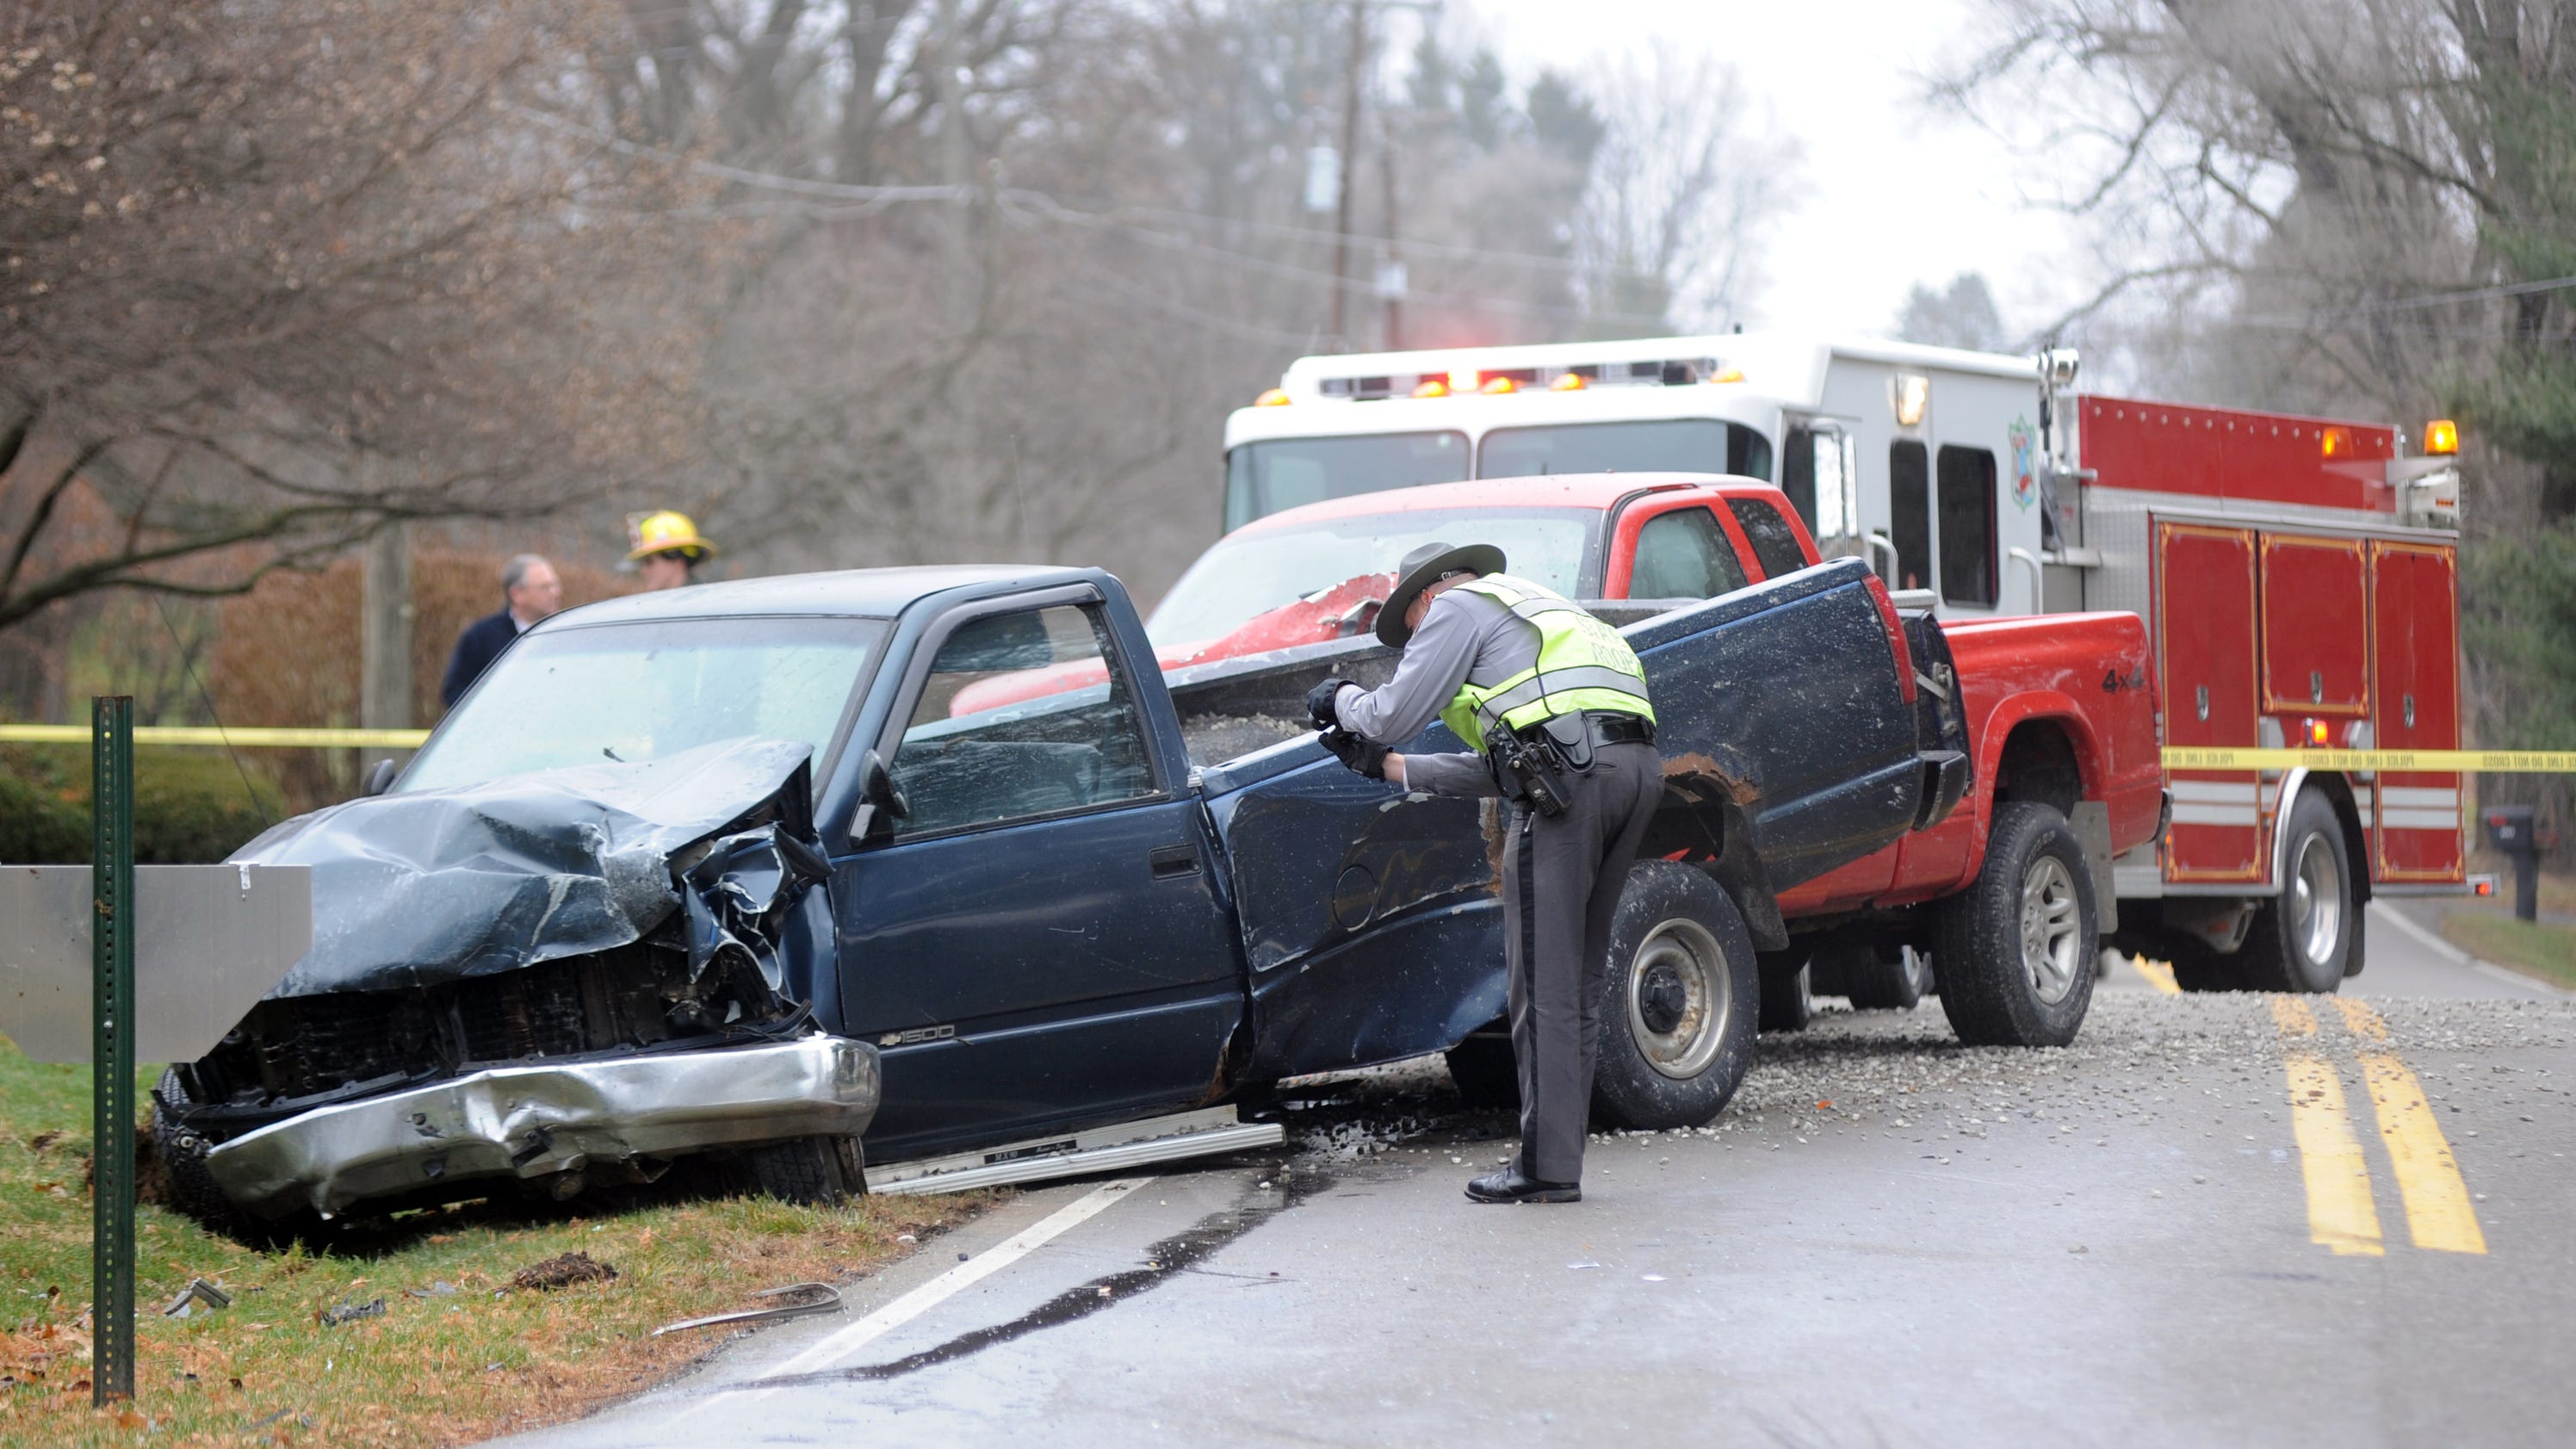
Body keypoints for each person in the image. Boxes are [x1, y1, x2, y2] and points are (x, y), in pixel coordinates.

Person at [1308, 542, 1659, 1205]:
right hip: (1633, 773)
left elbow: (1389, 714)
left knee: (1543, 981)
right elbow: (1511, 765)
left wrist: (1341, 698)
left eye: (1410, 632)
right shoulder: (1538, 613)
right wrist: (1389, 768)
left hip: (1570, 789)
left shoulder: (1453, 609)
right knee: (1579, 981)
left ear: (1423, 598)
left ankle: (1546, 1166)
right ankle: (1559, 1154)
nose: (1417, 644)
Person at [439, 553, 560, 708]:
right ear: (517, 594)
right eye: (545, 587)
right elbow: (455, 692)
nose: (554, 593)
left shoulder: (565, 634)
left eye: (555, 585)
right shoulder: (481, 637)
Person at [627, 510, 718, 591]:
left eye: (649, 562)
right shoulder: (662, 606)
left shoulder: (703, 604)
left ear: (678, 562)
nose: (643, 571)